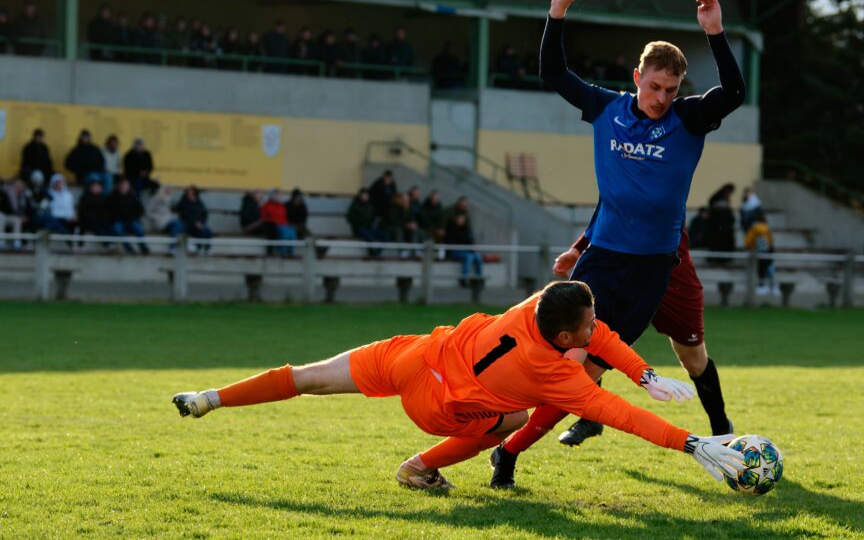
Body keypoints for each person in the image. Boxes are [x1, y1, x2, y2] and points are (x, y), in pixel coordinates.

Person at [488, 0, 744, 489]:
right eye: (654, 87)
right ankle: (508, 449)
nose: (661, 98)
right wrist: (558, 11)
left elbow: (734, 91)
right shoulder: (606, 108)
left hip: (653, 268)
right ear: (636, 77)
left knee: (590, 374)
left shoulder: (689, 120)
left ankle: (511, 450)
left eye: (671, 90)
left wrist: (715, 33)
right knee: (573, 369)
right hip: (602, 260)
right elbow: (553, 72)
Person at [171, 280, 745, 491]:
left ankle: (208, 398)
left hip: (415, 354)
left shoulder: (534, 308)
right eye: (588, 326)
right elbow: (622, 417)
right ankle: (419, 467)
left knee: (308, 377)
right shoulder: (557, 376)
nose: (599, 330)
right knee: (515, 422)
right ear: (566, 333)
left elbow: (604, 337)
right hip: (438, 406)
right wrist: (693, 443)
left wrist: (643, 373)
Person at [109, 177, 149, 254]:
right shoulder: (113, 197)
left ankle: (143, 247)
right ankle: (129, 248)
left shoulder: (133, 197)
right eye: (123, 185)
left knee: (138, 228)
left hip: (132, 220)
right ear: (119, 186)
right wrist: (116, 218)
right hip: (119, 221)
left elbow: (141, 209)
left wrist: (135, 217)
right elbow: (109, 211)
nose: (125, 187)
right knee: (117, 229)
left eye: (126, 185)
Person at [65, 129, 111, 194]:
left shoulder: (95, 148)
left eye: (87, 137)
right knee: (94, 177)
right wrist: (80, 170)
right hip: (84, 175)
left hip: (98, 171)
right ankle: (95, 197)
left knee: (108, 176)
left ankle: (105, 198)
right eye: (84, 137)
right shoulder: (76, 150)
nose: (85, 138)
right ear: (80, 138)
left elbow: (102, 161)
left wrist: (99, 168)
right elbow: (68, 164)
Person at [744, 209, 777, 296]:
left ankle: (761, 286)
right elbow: (770, 239)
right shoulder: (766, 227)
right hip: (768, 250)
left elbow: (749, 240)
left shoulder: (754, 227)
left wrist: (748, 246)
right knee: (770, 268)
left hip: (758, 250)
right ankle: (773, 286)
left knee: (760, 269)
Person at [444, 211, 482, 284]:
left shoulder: (466, 229)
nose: (461, 220)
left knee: (478, 256)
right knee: (468, 257)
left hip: (466, 250)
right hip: (454, 251)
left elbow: (470, 241)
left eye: (463, 219)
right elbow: (452, 242)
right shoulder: (451, 229)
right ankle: (464, 278)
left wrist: (472, 246)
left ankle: (478, 278)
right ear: (456, 219)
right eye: (460, 218)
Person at [346, 187, 386, 257]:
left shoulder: (370, 205)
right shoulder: (355, 206)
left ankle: (377, 253)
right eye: (364, 195)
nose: (366, 196)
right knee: (369, 236)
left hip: (370, 228)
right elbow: (350, 218)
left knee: (385, 236)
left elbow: (374, 216)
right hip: (359, 228)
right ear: (360, 195)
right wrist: (361, 221)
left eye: (367, 195)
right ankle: (372, 254)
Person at [172, 185, 212, 253]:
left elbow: (204, 214)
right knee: (179, 228)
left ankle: (207, 249)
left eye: (192, 193)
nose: (191, 195)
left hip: (199, 224)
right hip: (188, 224)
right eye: (189, 193)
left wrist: (201, 222)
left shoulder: (199, 203)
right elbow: (186, 215)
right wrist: (195, 222)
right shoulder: (183, 203)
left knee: (207, 231)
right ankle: (174, 247)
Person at [259, 189, 297, 256]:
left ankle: (291, 252)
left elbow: (284, 217)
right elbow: (263, 217)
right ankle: (283, 251)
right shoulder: (267, 205)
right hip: (273, 225)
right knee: (283, 231)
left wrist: (286, 224)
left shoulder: (281, 206)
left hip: (283, 224)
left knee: (292, 231)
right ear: (272, 196)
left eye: (279, 195)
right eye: (277, 195)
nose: (279, 197)